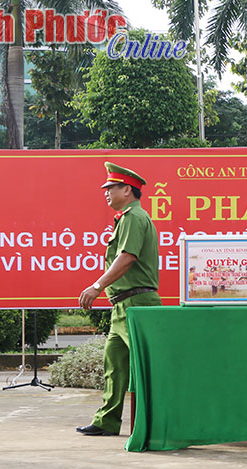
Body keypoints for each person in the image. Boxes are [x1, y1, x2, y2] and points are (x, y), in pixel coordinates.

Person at [76, 162, 161, 436]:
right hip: (122, 306)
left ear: (127, 190)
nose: (106, 193)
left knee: (148, 369)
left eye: (111, 188)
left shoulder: (134, 218)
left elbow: (127, 258)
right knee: (114, 364)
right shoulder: (126, 218)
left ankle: (157, 421)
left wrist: (97, 285)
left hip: (137, 304)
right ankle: (106, 421)